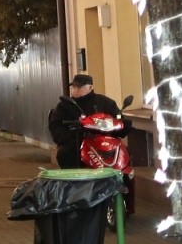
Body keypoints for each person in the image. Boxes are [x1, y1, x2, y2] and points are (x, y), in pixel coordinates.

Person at [48, 73, 132, 213]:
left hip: (103, 144)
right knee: (65, 153)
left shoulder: (105, 103)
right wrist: (67, 138)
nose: (75, 90)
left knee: (125, 153)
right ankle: (74, 195)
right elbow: (55, 126)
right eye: (74, 87)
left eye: (79, 87)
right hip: (77, 143)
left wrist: (122, 125)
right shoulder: (65, 106)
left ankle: (125, 196)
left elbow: (118, 120)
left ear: (90, 87)